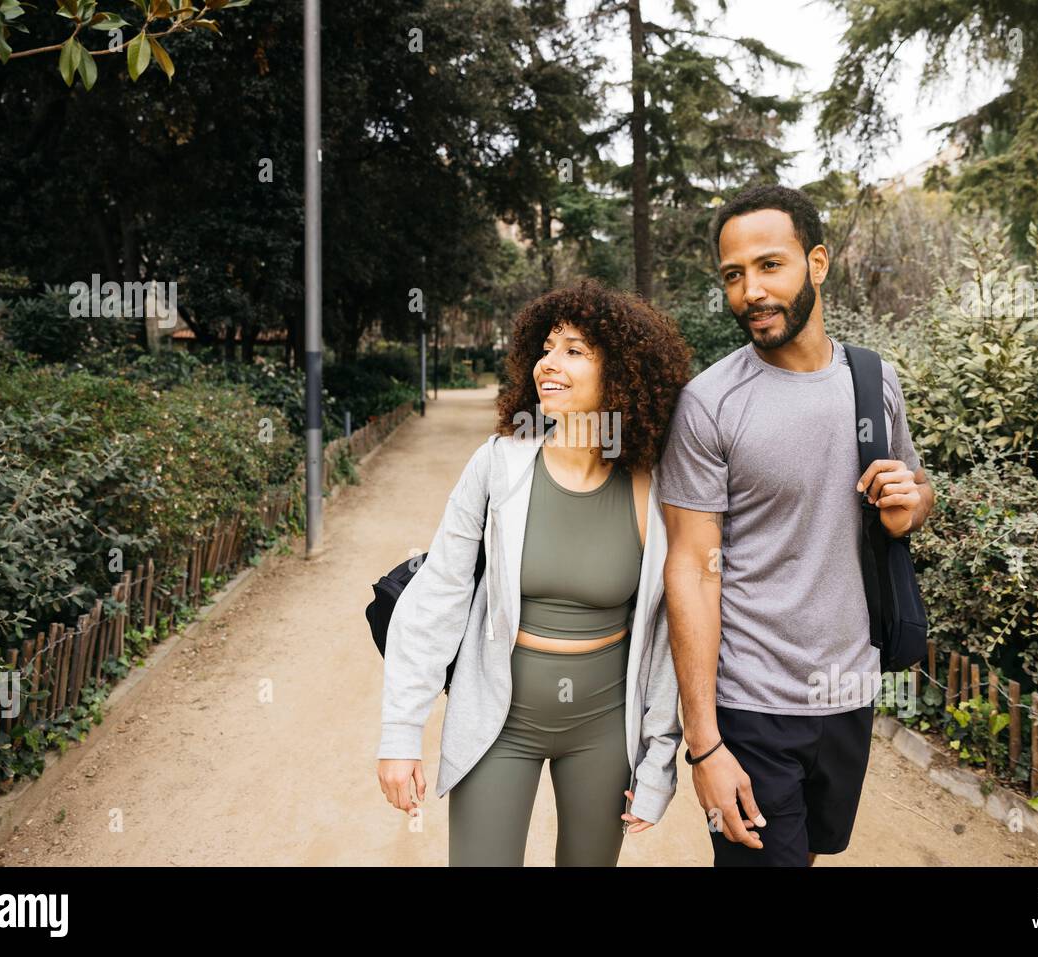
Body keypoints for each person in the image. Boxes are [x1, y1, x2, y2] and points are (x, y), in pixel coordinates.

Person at [658, 183, 936, 866]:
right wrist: (705, 743)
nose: (750, 290)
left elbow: (918, 490)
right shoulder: (709, 405)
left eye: (769, 265)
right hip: (752, 707)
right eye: (733, 275)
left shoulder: (876, 381)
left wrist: (914, 505)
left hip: (850, 692)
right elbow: (691, 569)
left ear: (817, 262)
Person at [378, 277, 692, 866]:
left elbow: (673, 639)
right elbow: (438, 594)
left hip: (604, 729)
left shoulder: (655, 488)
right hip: (498, 725)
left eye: (574, 350)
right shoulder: (500, 464)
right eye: (545, 349)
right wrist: (400, 734)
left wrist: (657, 763)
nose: (549, 364)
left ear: (622, 372)